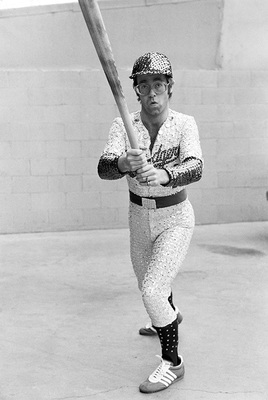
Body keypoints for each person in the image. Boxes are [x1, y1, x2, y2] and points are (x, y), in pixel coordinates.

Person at [97, 52, 203, 394]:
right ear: (137, 91)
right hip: (138, 216)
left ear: (169, 88)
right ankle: (169, 312)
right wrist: (123, 164)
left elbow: (196, 167)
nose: (152, 93)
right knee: (152, 283)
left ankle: (173, 362)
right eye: (144, 86)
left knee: (152, 290)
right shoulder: (123, 125)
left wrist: (165, 173)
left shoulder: (184, 123)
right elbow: (104, 169)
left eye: (159, 84)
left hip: (175, 216)